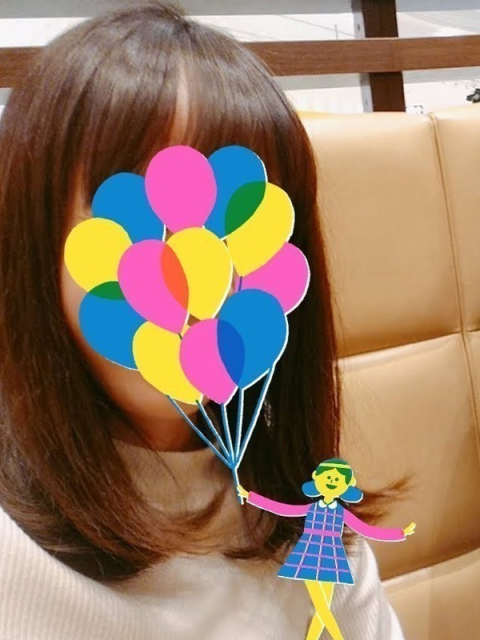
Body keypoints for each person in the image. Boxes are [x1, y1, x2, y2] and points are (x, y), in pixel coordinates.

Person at [0, 3, 406, 639]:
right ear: (34, 232)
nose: (194, 266)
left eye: (236, 217)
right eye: (138, 208)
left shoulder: (313, 523)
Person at [238, 458, 415, 640]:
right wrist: (250, 497)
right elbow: (283, 509)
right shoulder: (311, 508)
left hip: (331, 557)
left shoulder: (342, 516)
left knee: (322, 609)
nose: (331, 482)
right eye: (328, 478)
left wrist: (400, 533)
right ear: (318, 479)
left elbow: (366, 529)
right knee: (322, 607)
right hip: (309, 554)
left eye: (337, 480)